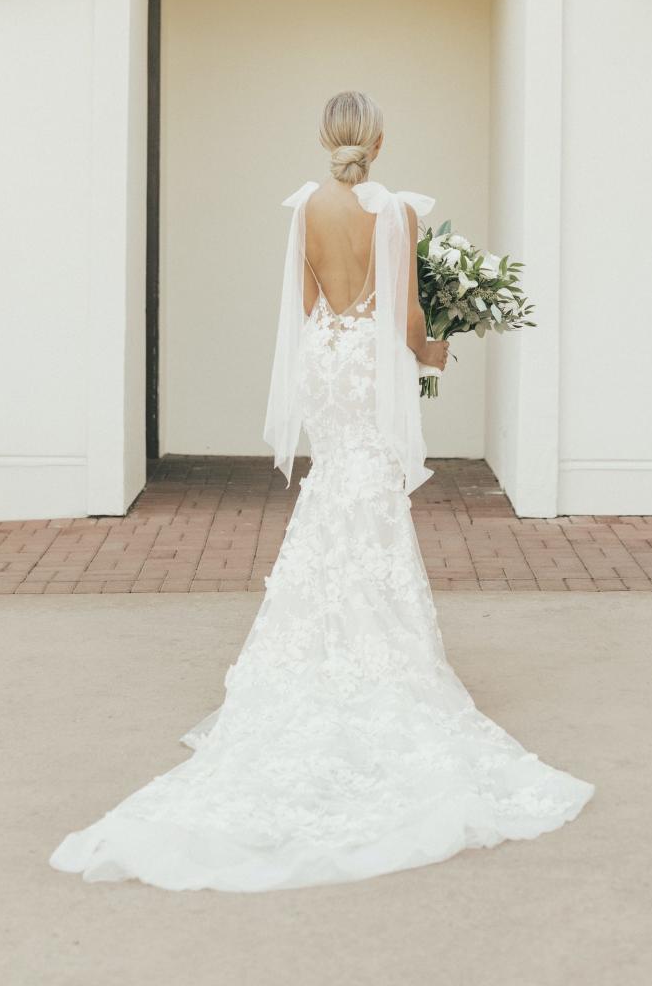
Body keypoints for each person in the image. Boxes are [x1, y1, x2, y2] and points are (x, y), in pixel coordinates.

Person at [49, 90, 594, 892]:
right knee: (369, 500)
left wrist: (344, 343)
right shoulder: (395, 211)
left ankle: (319, 646)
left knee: (334, 489)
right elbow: (407, 317)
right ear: (377, 138)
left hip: (327, 365)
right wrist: (436, 350)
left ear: (326, 140)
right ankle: (378, 656)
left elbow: (307, 305)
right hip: (371, 363)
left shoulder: (305, 207)